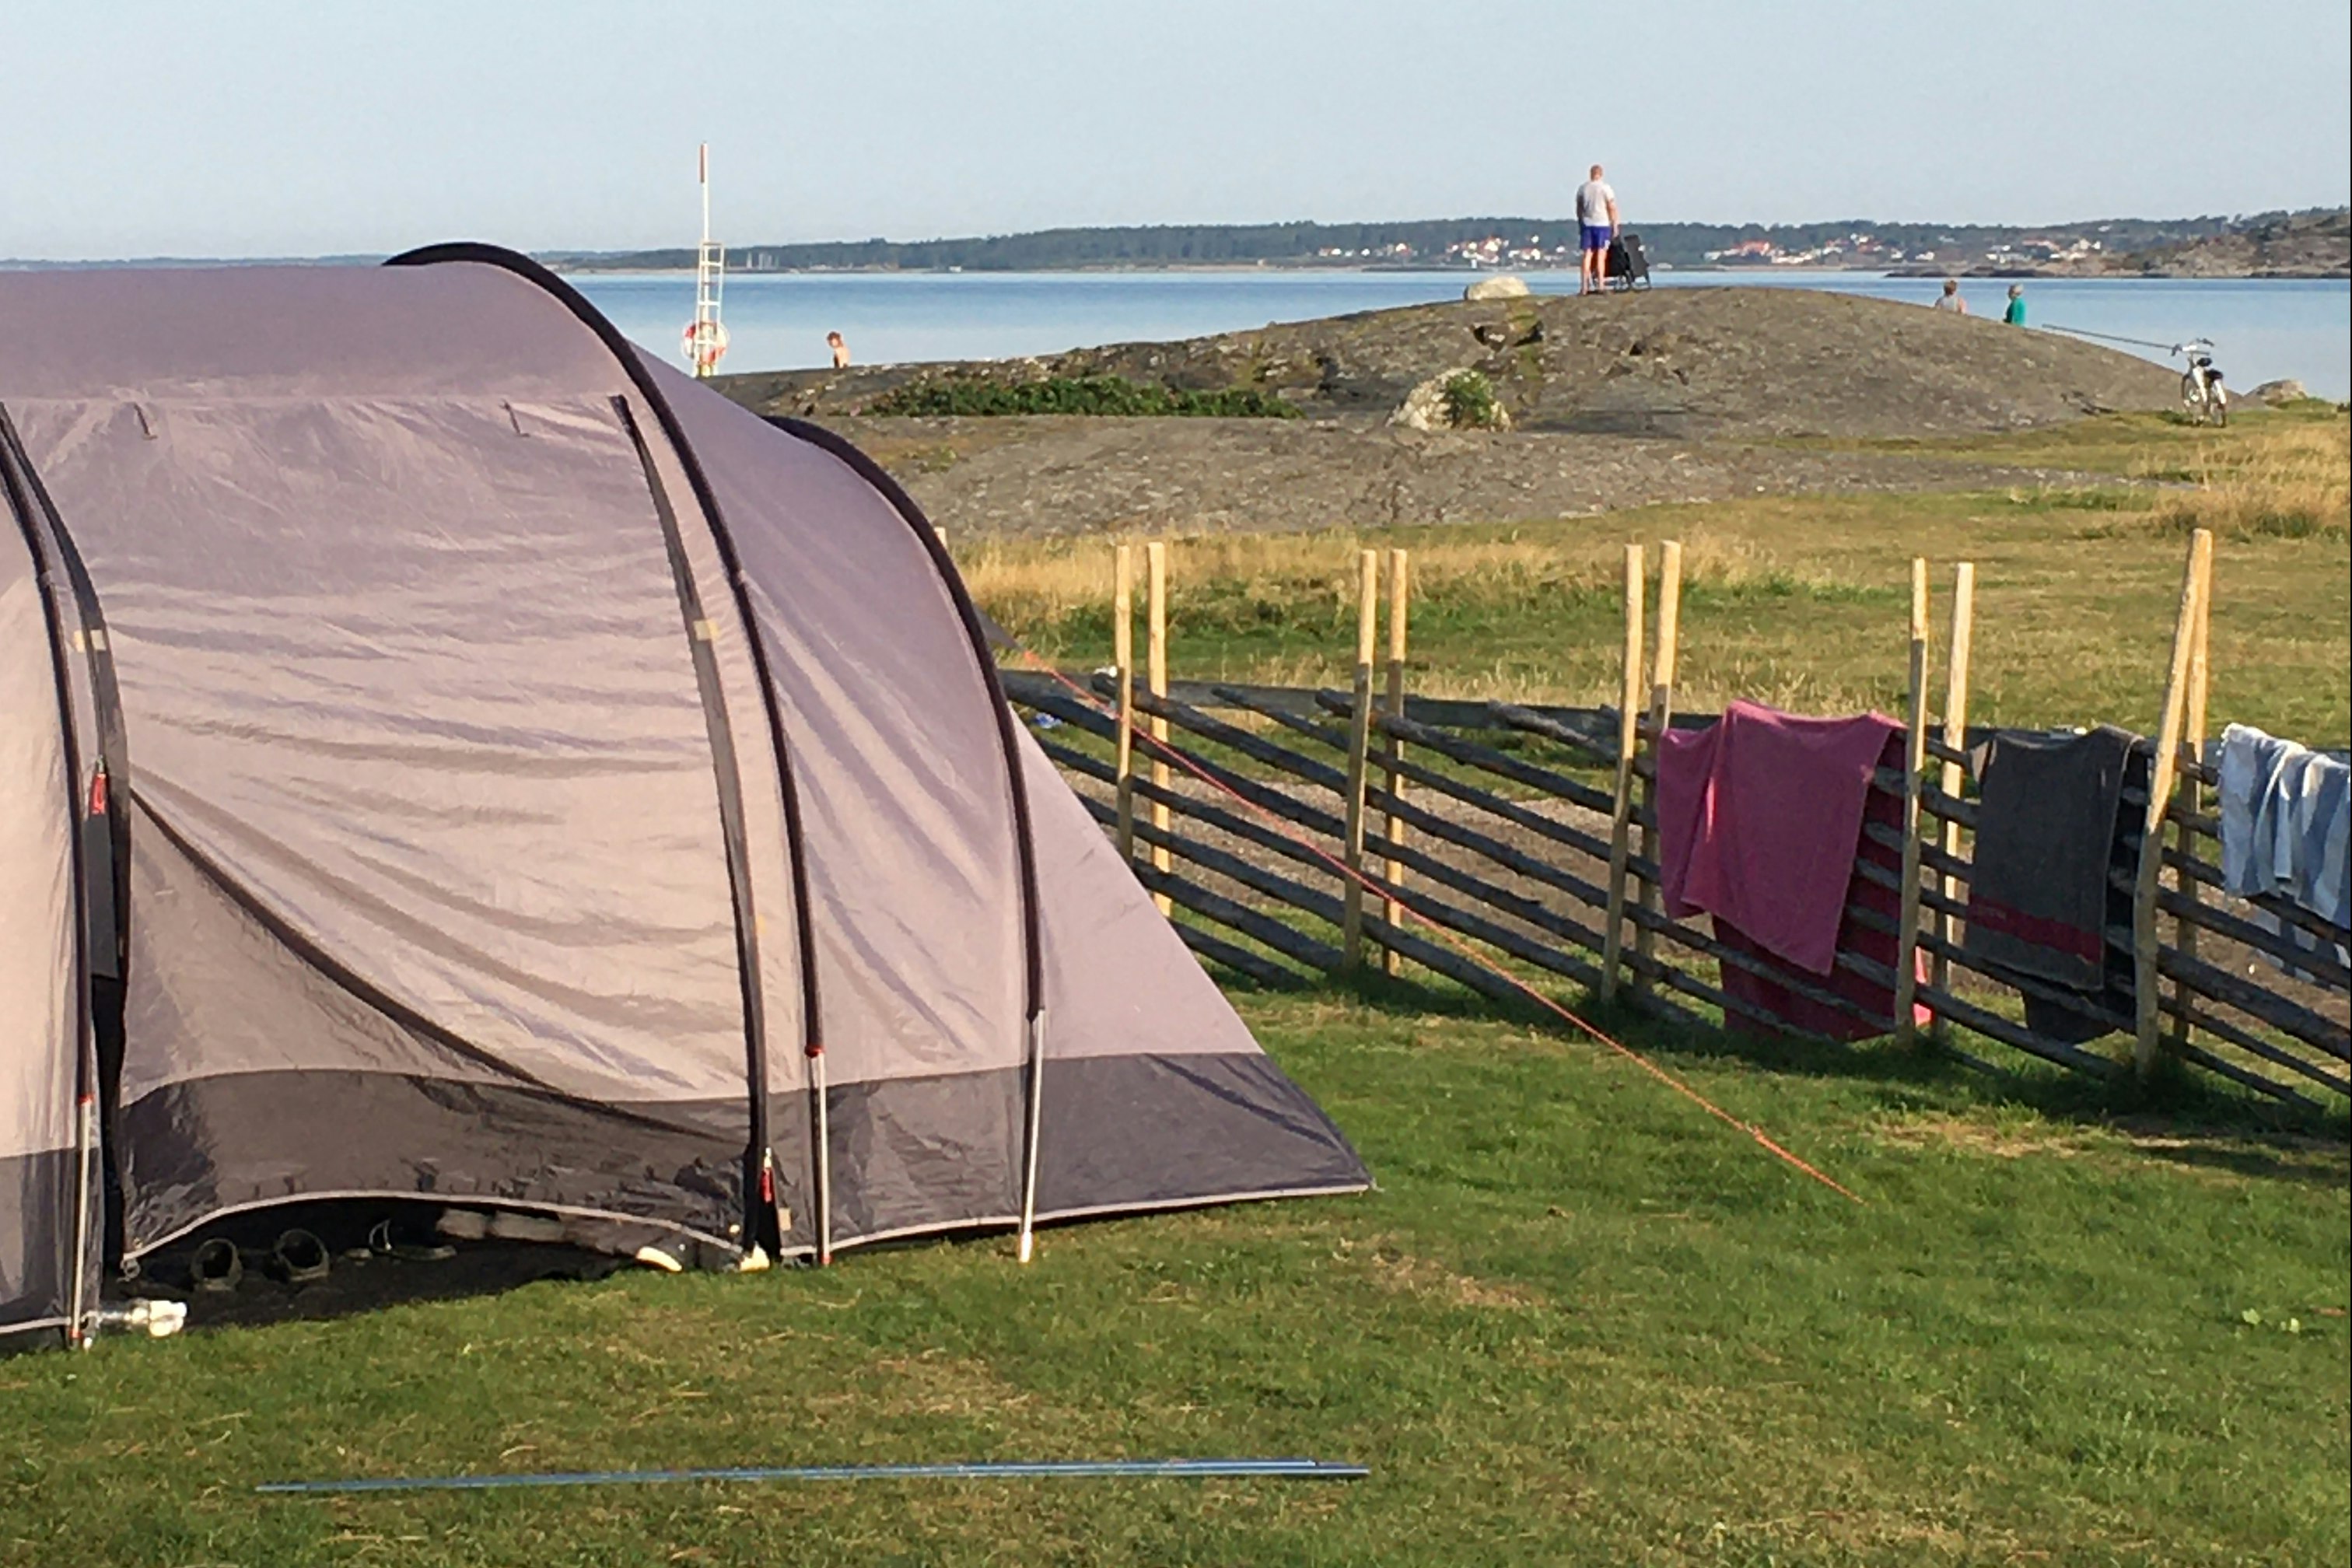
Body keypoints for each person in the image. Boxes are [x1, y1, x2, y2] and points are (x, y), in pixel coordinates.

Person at [1575, 164, 1619, 296]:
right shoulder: (1605, 188)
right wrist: (1615, 224)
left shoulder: (1583, 188)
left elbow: (1579, 208)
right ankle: (1600, 284)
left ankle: (1584, 286)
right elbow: (1611, 207)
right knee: (1601, 255)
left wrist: (1580, 221)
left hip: (1588, 223)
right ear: (1601, 174)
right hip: (1602, 224)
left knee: (1587, 255)